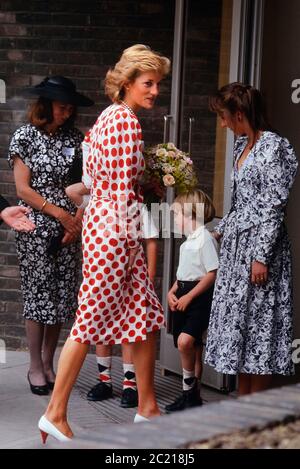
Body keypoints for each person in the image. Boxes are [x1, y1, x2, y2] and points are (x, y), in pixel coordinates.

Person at [39, 44, 170, 443]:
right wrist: (144, 197)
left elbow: (101, 185)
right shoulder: (126, 122)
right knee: (89, 321)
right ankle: (54, 411)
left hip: (109, 227)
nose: (155, 91)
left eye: (158, 84)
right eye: (148, 83)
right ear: (127, 84)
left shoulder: (108, 119)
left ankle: (148, 408)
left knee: (144, 314)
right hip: (116, 231)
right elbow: (118, 191)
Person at [205, 82, 298, 396]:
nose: (223, 123)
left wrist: (261, 255)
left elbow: (273, 203)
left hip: (261, 248)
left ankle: (254, 412)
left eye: (224, 116)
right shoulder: (240, 145)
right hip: (236, 249)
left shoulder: (275, 146)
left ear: (239, 113)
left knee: (259, 330)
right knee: (241, 331)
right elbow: (242, 200)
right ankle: (240, 405)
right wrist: (222, 228)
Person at [8, 76, 93, 396]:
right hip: (35, 227)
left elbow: (85, 186)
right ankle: (33, 366)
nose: (67, 113)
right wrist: (59, 215)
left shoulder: (76, 138)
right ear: (46, 106)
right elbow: (22, 189)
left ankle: (48, 363)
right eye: (61, 107)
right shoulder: (25, 137)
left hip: (70, 227)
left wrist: (76, 222)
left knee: (60, 299)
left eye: (70, 108)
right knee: (38, 297)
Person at [65, 137, 159, 409]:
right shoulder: (98, 201)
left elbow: (150, 239)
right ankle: (104, 380)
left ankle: (130, 384)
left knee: (131, 331)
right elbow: (73, 190)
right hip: (104, 271)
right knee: (99, 327)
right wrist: (92, 190)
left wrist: (149, 277)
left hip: (130, 277)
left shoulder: (135, 203)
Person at [165, 190, 219, 413]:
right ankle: (192, 395)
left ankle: (188, 393)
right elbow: (184, 273)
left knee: (185, 342)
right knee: (191, 345)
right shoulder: (187, 242)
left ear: (191, 214)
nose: (175, 219)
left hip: (198, 297)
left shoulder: (205, 238)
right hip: (183, 294)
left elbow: (211, 273)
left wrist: (189, 296)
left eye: (177, 214)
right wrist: (172, 291)